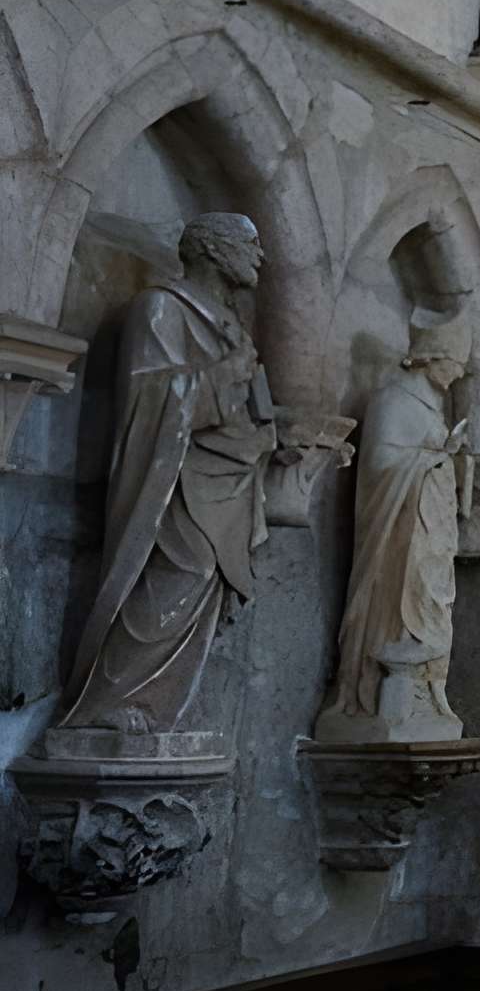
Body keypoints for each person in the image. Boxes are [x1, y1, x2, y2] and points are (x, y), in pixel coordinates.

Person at [56, 214, 281, 737]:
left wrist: (262, 433)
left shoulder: (230, 325)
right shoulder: (160, 308)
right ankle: (105, 703)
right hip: (173, 483)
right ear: (209, 248)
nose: (259, 256)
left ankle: (158, 710)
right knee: (182, 573)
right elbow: (147, 401)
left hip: (224, 480)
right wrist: (225, 378)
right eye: (247, 243)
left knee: (206, 583)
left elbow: (248, 408)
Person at [318, 304, 474, 744]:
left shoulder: (429, 409)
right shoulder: (392, 401)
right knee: (399, 604)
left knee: (430, 602)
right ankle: (373, 696)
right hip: (395, 538)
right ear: (428, 358)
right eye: (453, 365)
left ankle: (428, 693)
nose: (457, 376)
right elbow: (380, 469)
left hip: (430, 535)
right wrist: (434, 459)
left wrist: (449, 459)